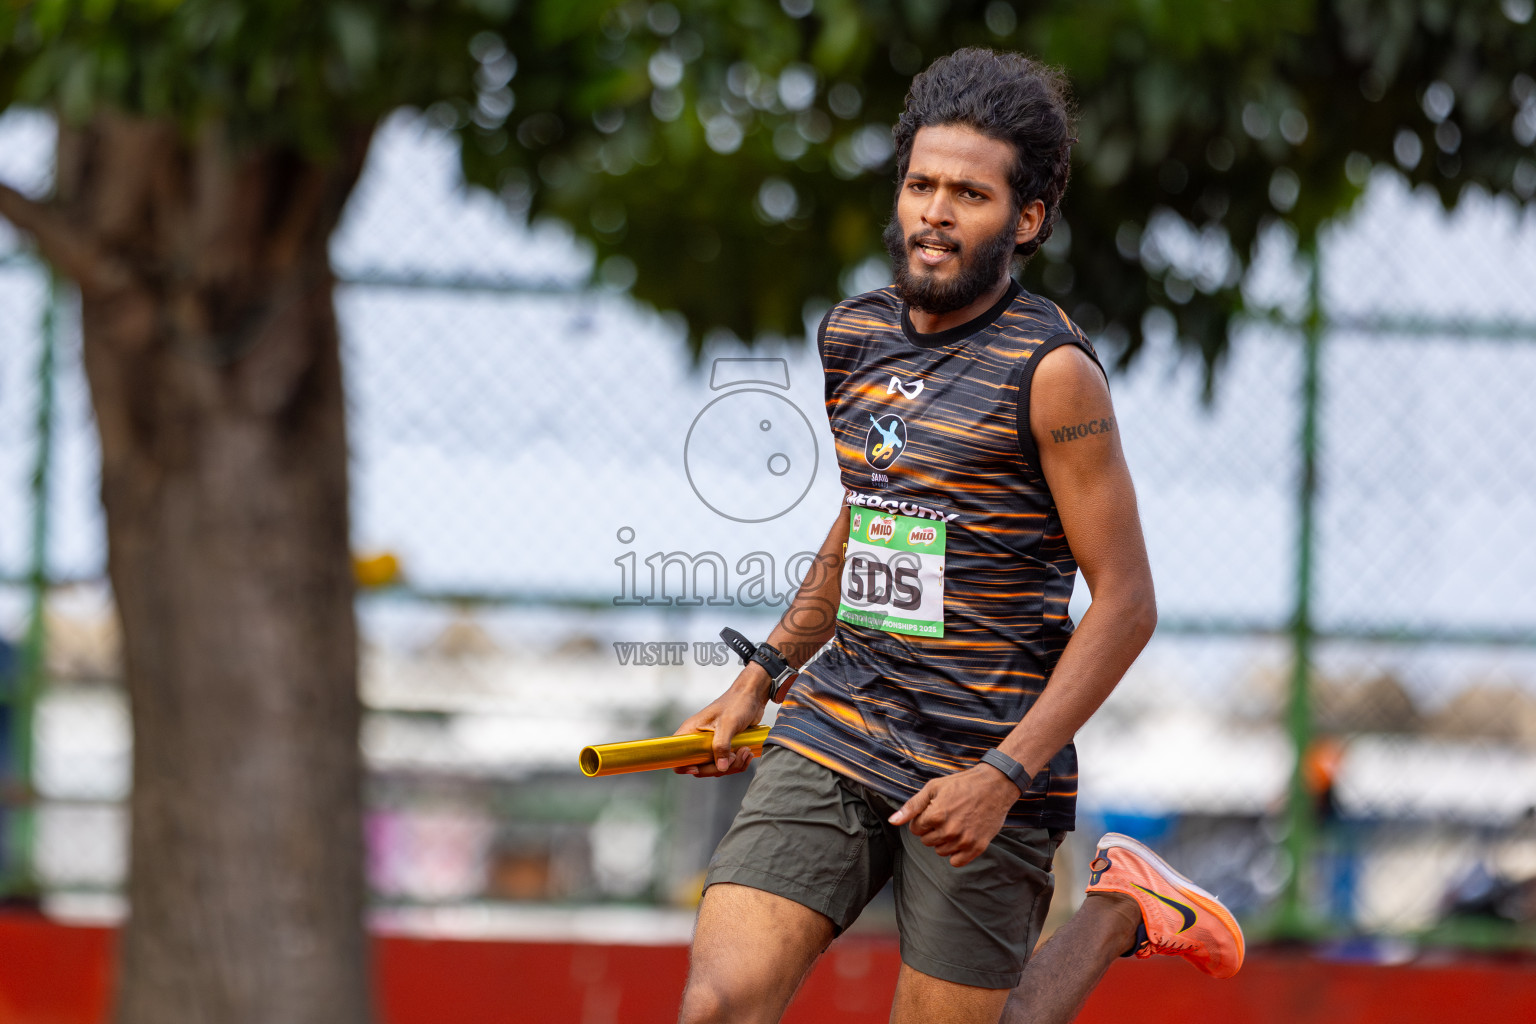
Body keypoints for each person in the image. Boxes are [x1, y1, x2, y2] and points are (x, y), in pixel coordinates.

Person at [672, 48, 1244, 1024]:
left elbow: (1128, 602)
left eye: (969, 194)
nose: (935, 211)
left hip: (988, 753)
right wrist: (758, 676)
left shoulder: (1053, 372)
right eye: (920, 184)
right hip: (838, 726)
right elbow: (868, 513)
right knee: (717, 1006)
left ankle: (1116, 909)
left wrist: (1003, 774)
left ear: (1026, 219)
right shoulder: (853, 336)